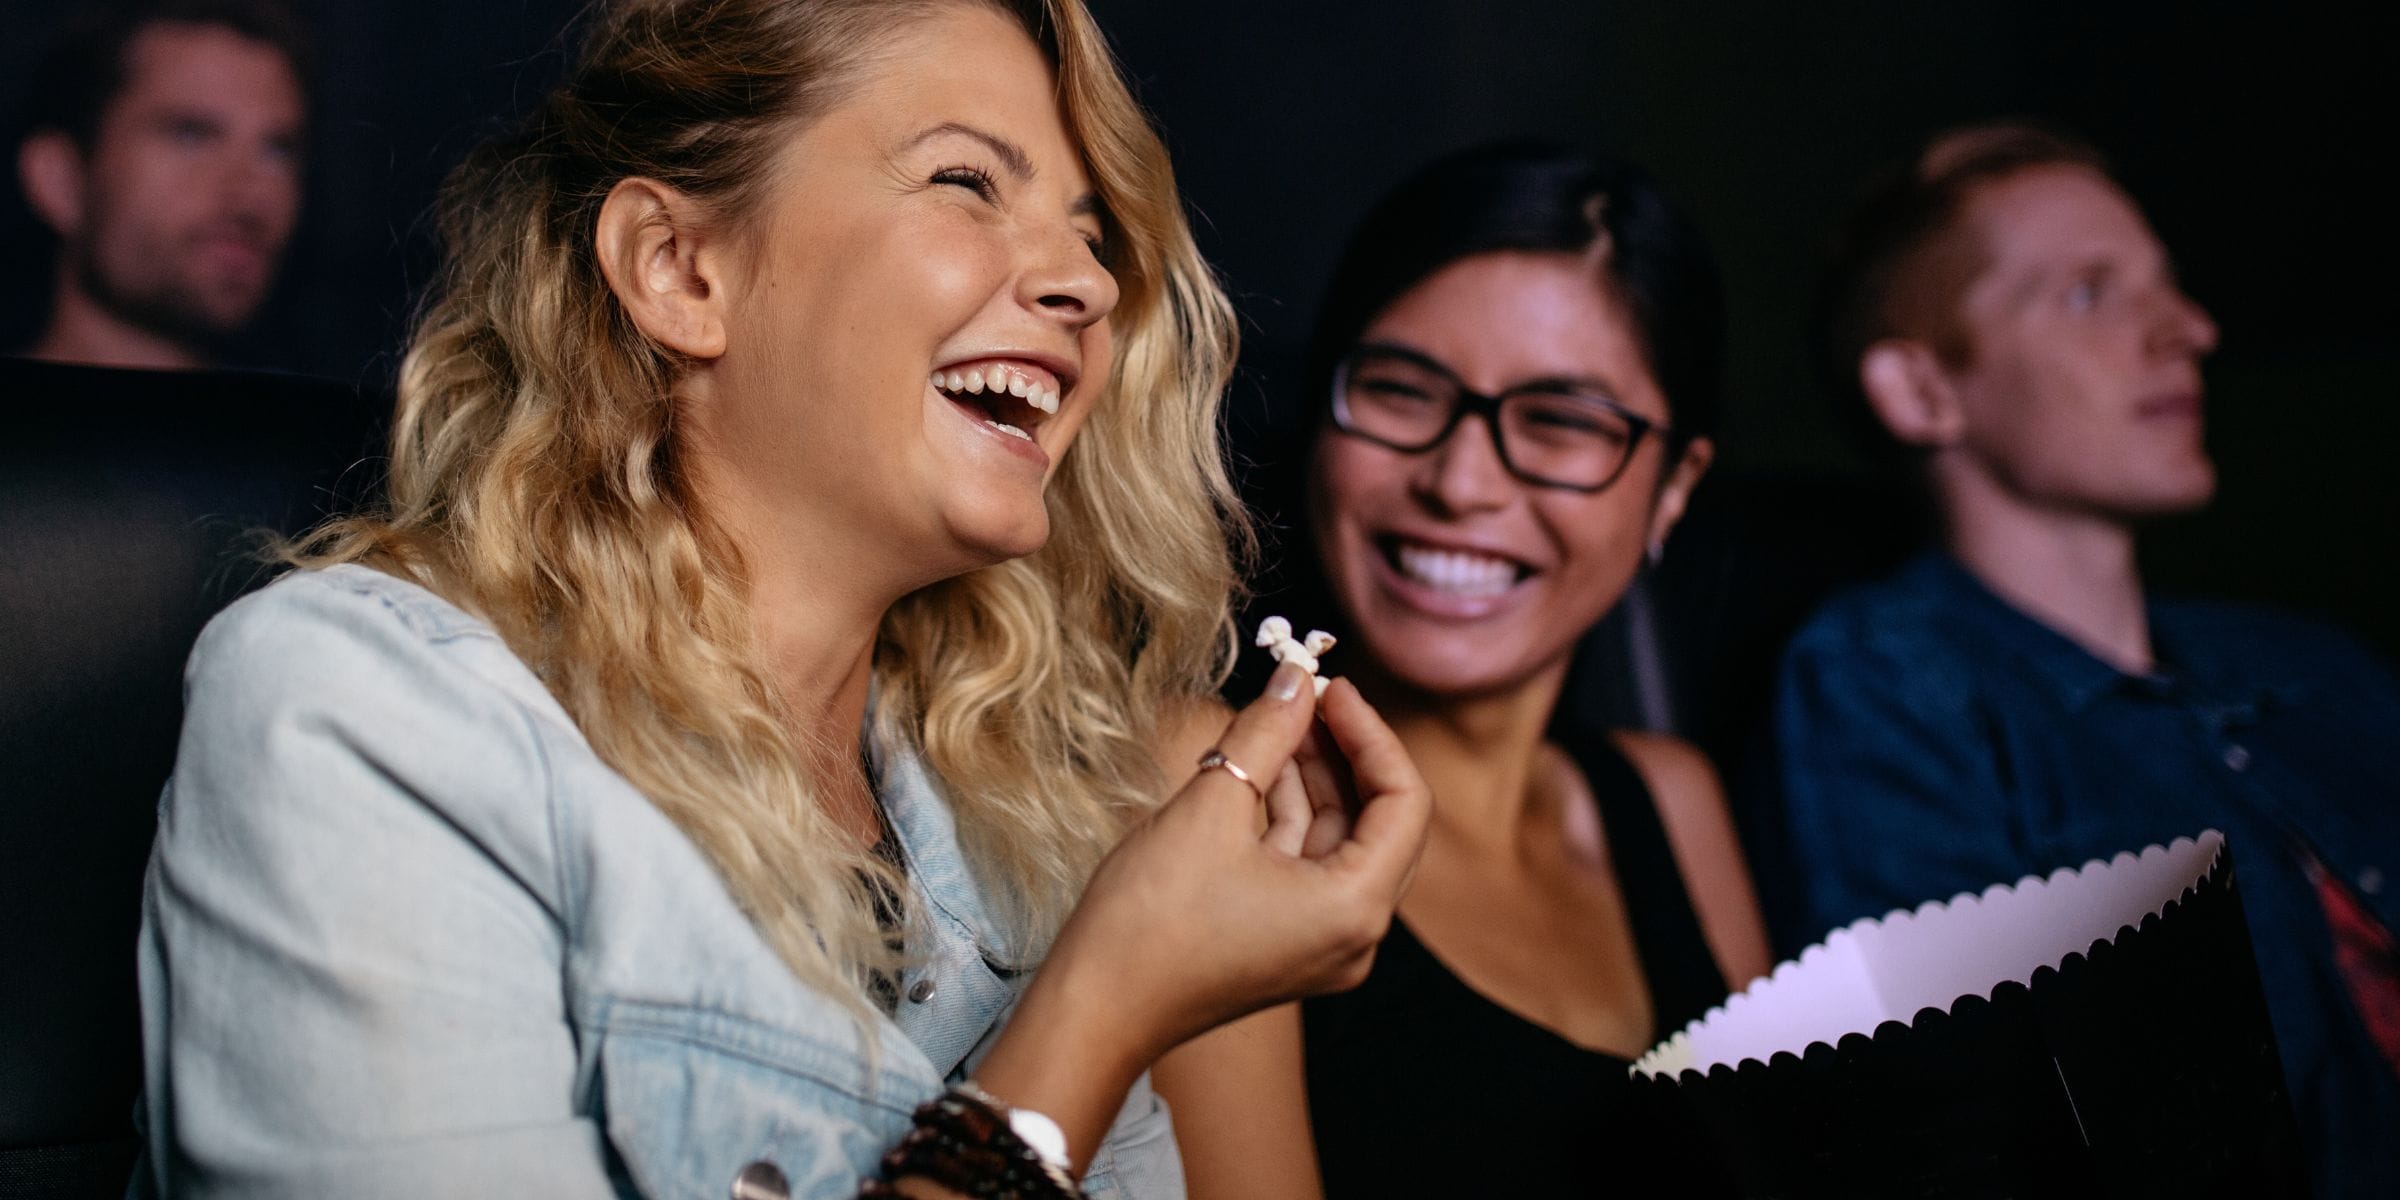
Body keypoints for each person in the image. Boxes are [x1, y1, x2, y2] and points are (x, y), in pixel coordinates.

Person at [131, 1, 1433, 1197]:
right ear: (679, 269)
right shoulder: (361, 716)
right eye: (967, 182)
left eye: (1091, 239)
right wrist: (1104, 1002)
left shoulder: (1021, 835)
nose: (1086, 286)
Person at [1772, 122, 2400, 1197]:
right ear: (1922, 392)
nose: (2189, 331)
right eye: (2087, 293)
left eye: (2172, 288)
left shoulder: (2314, 666)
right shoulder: (1889, 685)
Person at [1155, 142, 1773, 1196]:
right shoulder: (1211, 786)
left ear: (1675, 487)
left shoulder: (1671, 801)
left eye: (1564, 422)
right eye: (1401, 391)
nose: (1460, 481)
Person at [13, 0, 306, 370]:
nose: (252, 193)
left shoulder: (328, 425)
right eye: (192, 135)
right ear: (62, 181)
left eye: (279, 152)